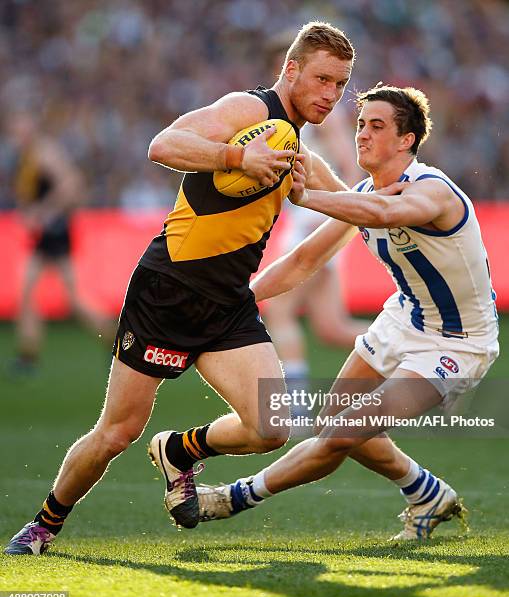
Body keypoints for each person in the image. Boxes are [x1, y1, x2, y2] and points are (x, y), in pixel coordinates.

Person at [4, 21, 357, 555]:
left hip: (227, 301)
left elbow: (352, 204)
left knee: (271, 426)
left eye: (340, 84)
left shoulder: (295, 145)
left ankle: (179, 451)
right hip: (167, 289)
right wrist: (236, 157)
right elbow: (163, 143)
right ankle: (44, 525)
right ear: (291, 70)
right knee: (117, 432)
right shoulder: (249, 111)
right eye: (323, 80)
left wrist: (378, 201)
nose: (331, 95)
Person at [196, 85, 499, 540]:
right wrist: (234, 302)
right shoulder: (361, 195)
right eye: (360, 124)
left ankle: (235, 496)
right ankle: (427, 493)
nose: (362, 135)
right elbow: (302, 261)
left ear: (407, 140)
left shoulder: (433, 190)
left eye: (377, 126)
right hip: (403, 318)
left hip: (460, 343)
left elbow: (383, 214)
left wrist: (308, 197)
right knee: (335, 425)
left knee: (341, 433)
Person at [262, 33, 368, 393]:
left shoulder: (327, 115)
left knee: (276, 310)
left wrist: (338, 208)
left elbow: (350, 166)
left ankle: (296, 402)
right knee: (332, 327)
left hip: (314, 219)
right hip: (313, 218)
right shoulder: (286, 115)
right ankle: (423, 350)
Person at [7, 112, 114, 376]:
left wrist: (44, 211)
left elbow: (72, 184)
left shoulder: (44, 152)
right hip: (47, 233)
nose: (16, 135)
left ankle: (116, 340)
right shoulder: (29, 156)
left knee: (71, 298)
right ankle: (27, 355)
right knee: (29, 292)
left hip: (53, 232)